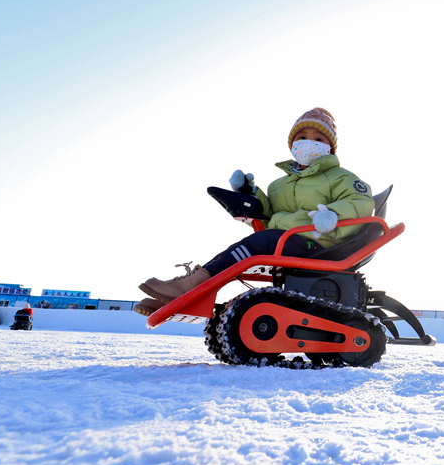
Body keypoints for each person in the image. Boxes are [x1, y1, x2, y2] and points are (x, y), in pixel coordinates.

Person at [135, 107, 374, 316]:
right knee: (254, 242)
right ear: (292, 144)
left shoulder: (340, 177)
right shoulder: (279, 185)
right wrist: (250, 193)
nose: (308, 143)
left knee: (262, 241)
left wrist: (333, 214)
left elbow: (361, 200)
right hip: (286, 239)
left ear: (330, 147)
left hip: (319, 242)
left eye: (318, 138)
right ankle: (190, 290)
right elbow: (269, 217)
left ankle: (193, 285)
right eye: (302, 137)